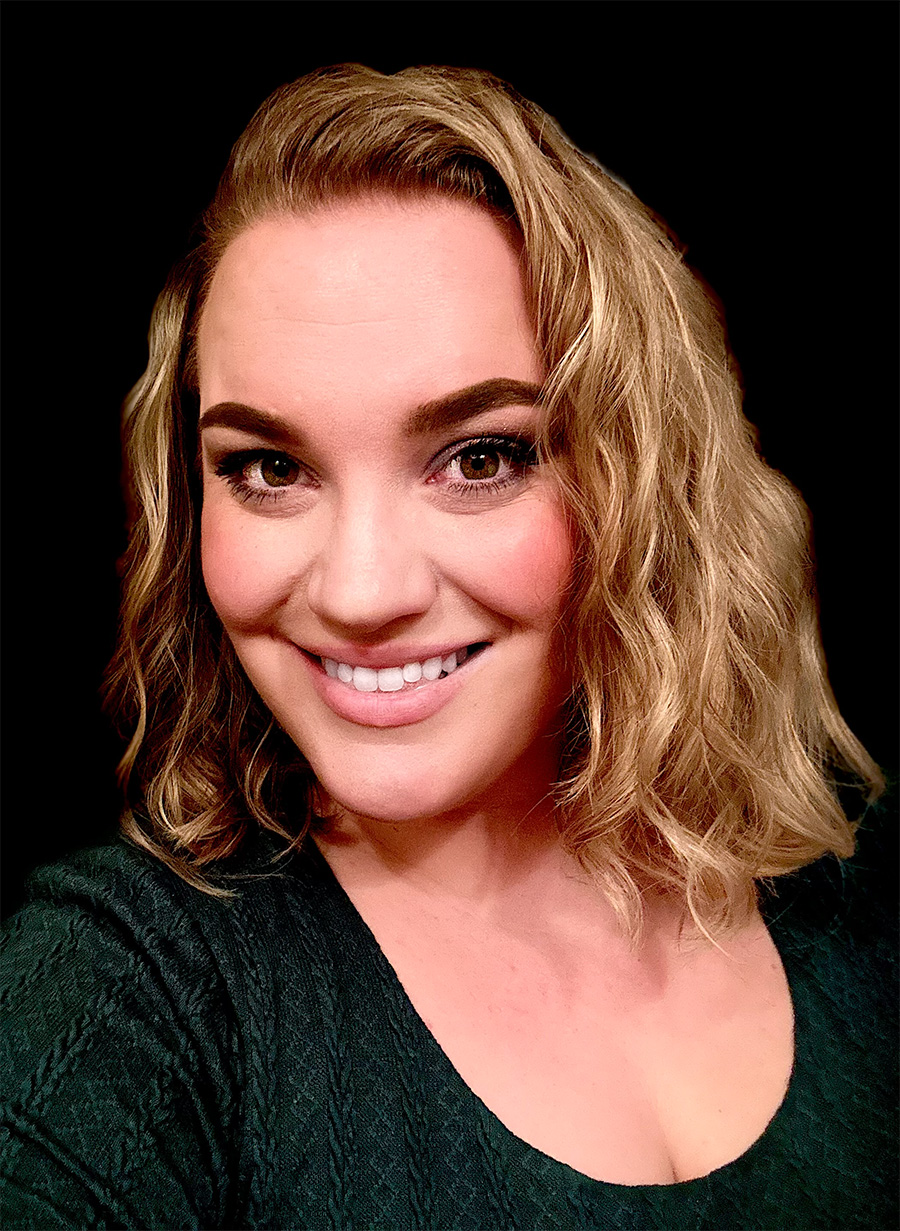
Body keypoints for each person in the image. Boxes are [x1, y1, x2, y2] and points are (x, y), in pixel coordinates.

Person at [1, 64, 895, 1231]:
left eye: (481, 456)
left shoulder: (854, 893)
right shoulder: (123, 993)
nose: (362, 591)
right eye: (268, 468)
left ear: (643, 486)